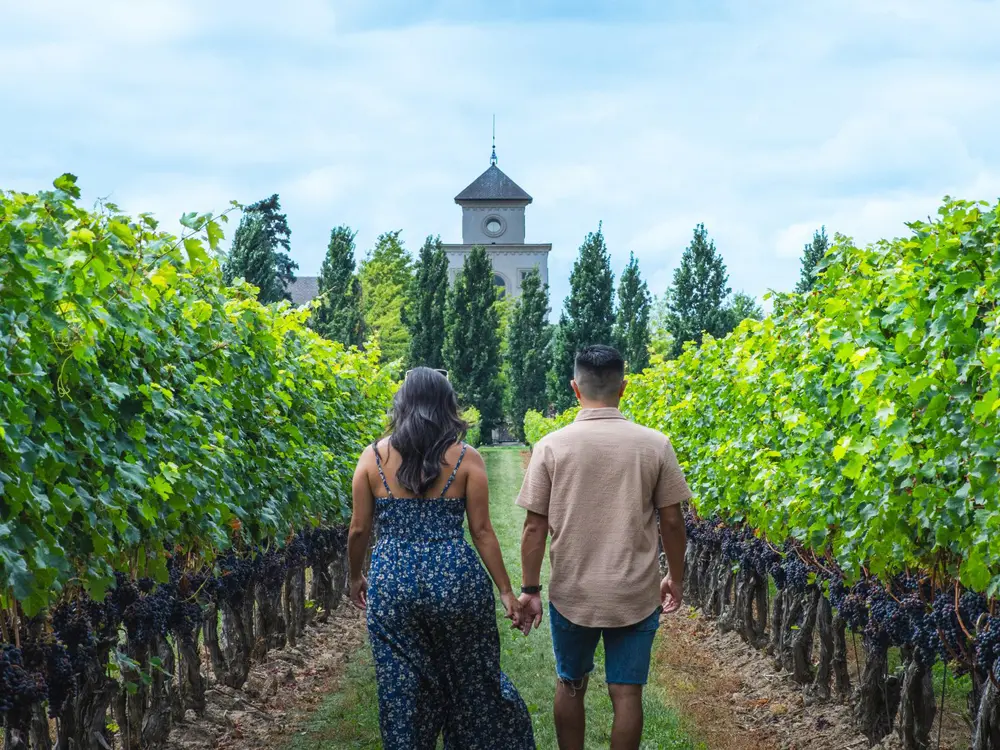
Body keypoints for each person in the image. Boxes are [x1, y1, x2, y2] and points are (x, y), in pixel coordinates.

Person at [347, 367, 536, 749]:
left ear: (402, 404)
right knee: (472, 684)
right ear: (447, 406)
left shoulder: (372, 458)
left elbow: (358, 530)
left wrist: (355, 577)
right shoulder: (467, 459)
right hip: (455, 581)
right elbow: (482, 531)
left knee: (401, 689)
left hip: (393, 581)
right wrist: (505, 591)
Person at [516, 345, 690, 750]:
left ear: (576, 389)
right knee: (627, 694)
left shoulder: (551, 446)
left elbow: (534, 527)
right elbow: (672, 521)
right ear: (623, 388)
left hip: (572, 593)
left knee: (570, 683)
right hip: (635, 592)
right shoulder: (655, 445)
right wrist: (675, 578)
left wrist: (530, 590)